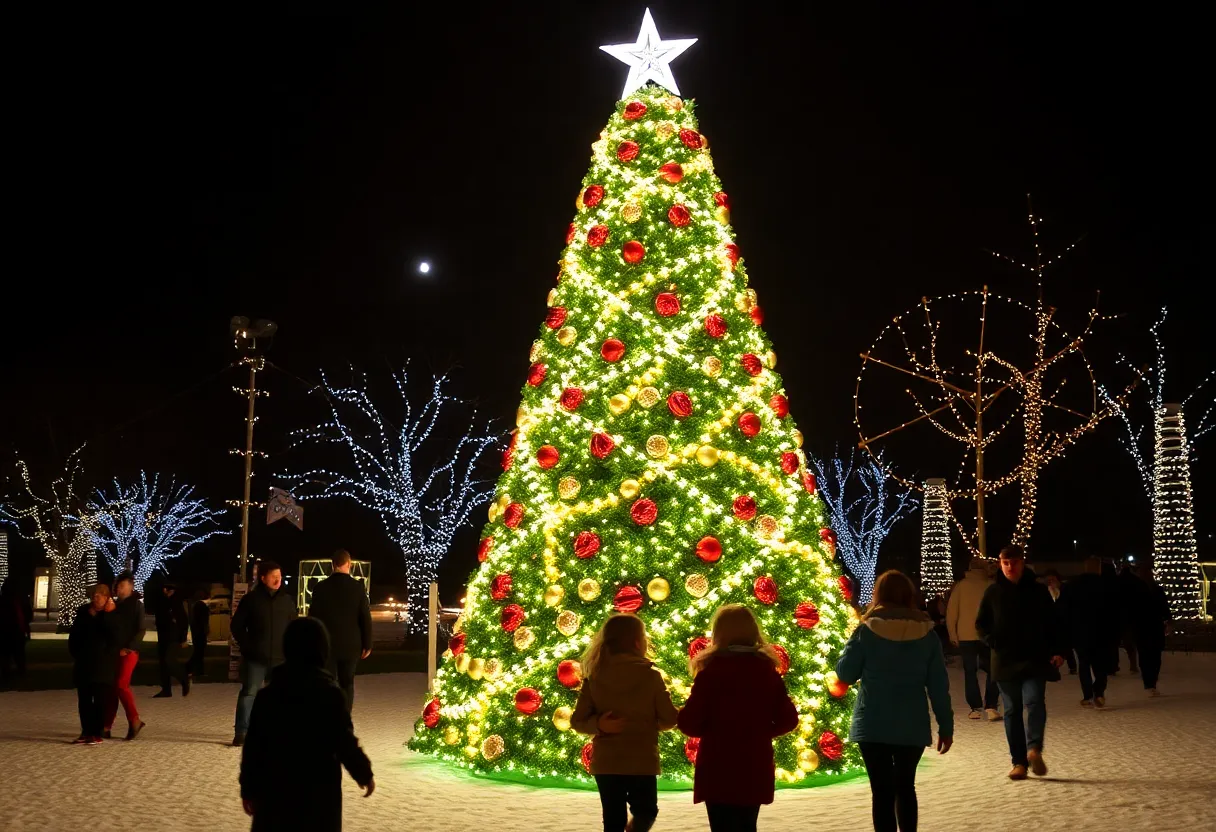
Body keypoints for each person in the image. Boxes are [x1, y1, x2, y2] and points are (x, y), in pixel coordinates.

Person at [837, 570, 954, 832]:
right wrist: (946, 727)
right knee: (905, 787)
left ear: (878, 595)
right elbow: (938, 686)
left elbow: (846, 673)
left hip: (873, 722)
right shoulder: (928, 635)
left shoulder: (866, 631)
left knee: (881, 793)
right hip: (911, 724)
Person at [239, 616, 374, 831]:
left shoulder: (269, 695)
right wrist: (362, 772)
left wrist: (249, 789)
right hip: (318, 790)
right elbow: (343, 740)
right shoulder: (329, 694)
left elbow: (254, 747)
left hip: (275, 791)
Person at [677, 604, 799, 832]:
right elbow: (788, 719)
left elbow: (689, 723)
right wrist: (760, 731)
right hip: (754, 764)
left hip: (717, 766)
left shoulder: (710, 672)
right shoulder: (766, 671)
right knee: (747, 825)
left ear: (718, 633)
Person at [571, 613, 680, 832]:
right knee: (646, 811)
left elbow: (577, 721)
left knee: (612, 819)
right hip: (641, 762)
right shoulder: (651, 677)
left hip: (607, 763)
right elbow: (669, 719)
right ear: (638, 643)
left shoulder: (595, 677)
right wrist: (649, 724)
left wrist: (599, 725)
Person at [976, 545, 1066, 780]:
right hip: (1005, 660)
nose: (1009, 567)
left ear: (1022, 562)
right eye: (1005, 563)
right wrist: (991, 640)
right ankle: (1018, 762)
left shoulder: (1037, 591)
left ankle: (1033, 749)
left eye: (1013, 562)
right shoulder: (993, 592)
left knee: (1034, 701)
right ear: (999, 564)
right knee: (1012, 710)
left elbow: (1053, 623)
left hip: (1034, 657)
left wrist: (1057, 650)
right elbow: (981, 623)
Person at [231, 561, 297, 747]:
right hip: (256, 658)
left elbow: (294, 626)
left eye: (280, 576)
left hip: (281, 659)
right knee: (249, 694)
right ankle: (242, 732)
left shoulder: (287, 601)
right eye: (273, 576)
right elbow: (236, 626)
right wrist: (247, 646)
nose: (278, 580)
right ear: (263, 578)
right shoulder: (251, 600)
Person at [307, 550, 373, 712]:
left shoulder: (320, 588)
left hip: (326, 644)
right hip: (351, 644)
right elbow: (364, 616)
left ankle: (327, 716)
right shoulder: (357, 587)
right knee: (347, 683)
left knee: (327, 682)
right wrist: (367, 643)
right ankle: (344, 717)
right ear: (349, 564)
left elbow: (313, 618)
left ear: (332, 565)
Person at [1058, 557, 1117, 708]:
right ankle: (1099, 691)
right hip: (1102, 630)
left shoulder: (1072, 585)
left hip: (1079, 630)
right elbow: (1116, 609)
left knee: (1084, 663)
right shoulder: (1108, 585)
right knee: (1101, 663)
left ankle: (1087, 695)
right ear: (1098, 568)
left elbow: (1063, 609)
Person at [946, 557, 1000, 721]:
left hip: (965, 635)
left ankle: (974, 707)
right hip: (987, 635)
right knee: (993, 670)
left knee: (970, 672)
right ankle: (991, 705)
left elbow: (951, 612)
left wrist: (952, 634)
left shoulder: (961, 586)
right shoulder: (991, 586)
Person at [68, 583, 117, 744]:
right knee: (84, 699)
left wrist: (104, 616)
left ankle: (96, 732)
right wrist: (76, 652)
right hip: (85, 662)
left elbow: (113, 636)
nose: (96, 598)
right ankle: (86, 731)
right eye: (94, 595)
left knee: (100, 700)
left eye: (100, 596)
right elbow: (75, 635)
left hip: (103, 664)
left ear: (106, 597)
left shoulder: (110, 614)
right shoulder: (83, 612)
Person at [105, 571, 146, 740]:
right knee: (113, 688)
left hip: (128, 651)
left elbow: (141, 629)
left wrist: (129, 647)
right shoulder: (116, 605)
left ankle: (134, 720)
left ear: (130, 586)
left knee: (121, 685)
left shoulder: (136, 605)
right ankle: (106, 725)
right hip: (114, 651)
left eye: (122, 586)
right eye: (117, 586)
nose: (119, 589)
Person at [1130, 564, 1171, 696]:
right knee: (1155, 655)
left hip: (1141, 626)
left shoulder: (1136, 590)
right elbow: (1164, 607)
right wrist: (1168, 621)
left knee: (1144, 655)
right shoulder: (1157, 590)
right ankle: (1151, 681)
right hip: (1154, 626)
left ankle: (1148, 682)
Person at [154, 582, 191, 698]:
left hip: (172, 637)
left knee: (168, 661)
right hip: (164, 636)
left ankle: (183, 678)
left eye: (166, 589)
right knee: (163, 663)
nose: (164, 591)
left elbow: (183, 621)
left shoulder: (176, 603)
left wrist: (183, 638)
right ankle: (166, 689)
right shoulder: (165, 602)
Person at [1041, 570, 1077, 674]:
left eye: (1053, 579)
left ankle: (1072, 666)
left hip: (1064, 621)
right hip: (1052, 622)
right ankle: (1054, 666)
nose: (1051, 582)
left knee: (1067, 646)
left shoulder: (1065, 590)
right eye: (1049, 580)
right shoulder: (1045, 591)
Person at [0, 580, 33, 683]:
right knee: (18, 654)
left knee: (7, 655)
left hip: (7, 632)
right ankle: (19, 673)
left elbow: (26, 616)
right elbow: (26, 617)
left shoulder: (8, 602)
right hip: (15, 631)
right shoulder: (19, 602)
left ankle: (8, 673)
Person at [189, 588, 211, 678]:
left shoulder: (195, 605)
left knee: (198, 652)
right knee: (199, 653)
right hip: (200, 632)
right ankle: (196, 670)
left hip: (196, 631)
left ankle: (198, 671)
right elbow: (203, 620)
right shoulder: (201, 605)